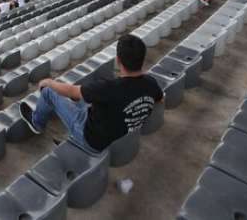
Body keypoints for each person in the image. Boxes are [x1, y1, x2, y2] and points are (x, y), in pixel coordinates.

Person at [19, 34, 163, 152]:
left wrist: (49, 82)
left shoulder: (110, 88)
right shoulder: (151, 84)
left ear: (118, 60)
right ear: (142, 59)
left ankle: (36, 123)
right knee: (84, 96)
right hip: (114, 130)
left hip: (89, 137)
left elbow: (72, 91)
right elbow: (159, 99)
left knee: (49, 92)